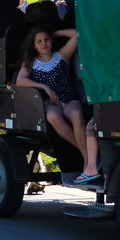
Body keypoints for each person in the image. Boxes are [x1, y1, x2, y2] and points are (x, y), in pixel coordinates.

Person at [16, 27, 88, 176]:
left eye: (46, 39)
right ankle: (87, 152)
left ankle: (88, 162)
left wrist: (55, 32)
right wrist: (43, 86)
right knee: (53, 117)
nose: (44, 43)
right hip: (50, 102)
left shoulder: (62, 55)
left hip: (68, 99)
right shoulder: (31, 61)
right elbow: (20, 80)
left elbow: (77, 34)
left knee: (76, 114)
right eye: (39, 41)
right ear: (34, 45)